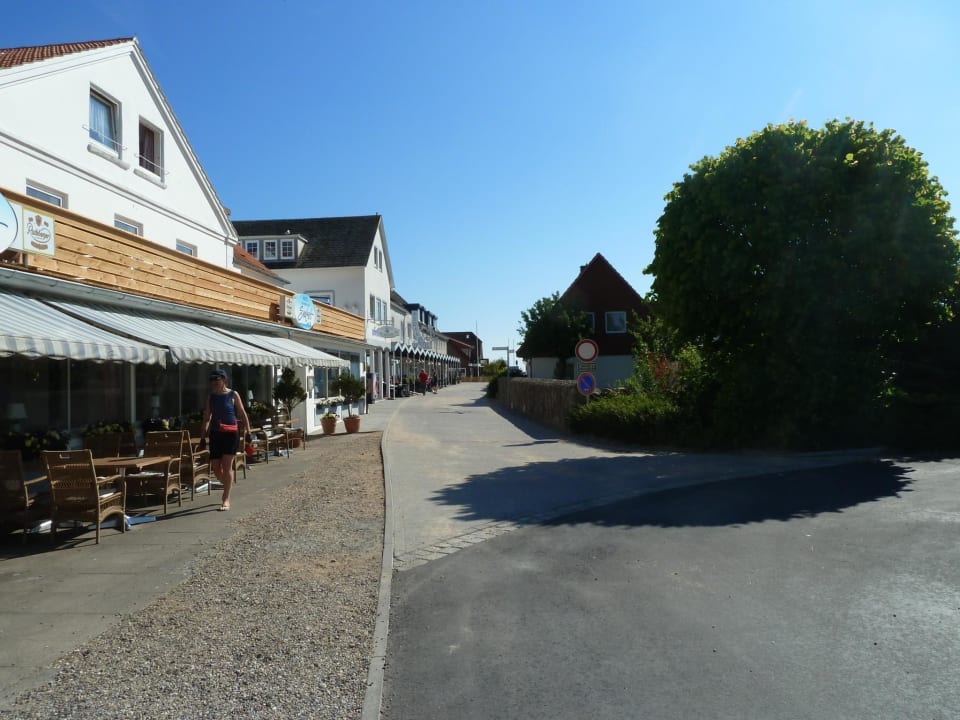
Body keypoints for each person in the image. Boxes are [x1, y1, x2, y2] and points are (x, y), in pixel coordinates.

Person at [201, 368, 250, 511]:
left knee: (227, 465)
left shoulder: (233, 394)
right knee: (215, 467)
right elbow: (206, 418)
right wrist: (203, 437)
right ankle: (228, 484)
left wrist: (248, 432)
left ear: (224, 380)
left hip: (230, 433)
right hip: (215, 434)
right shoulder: (211, 397)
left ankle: (226, 498)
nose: (214, 382)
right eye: (212, 380)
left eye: (217, 379)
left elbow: (242, 413)